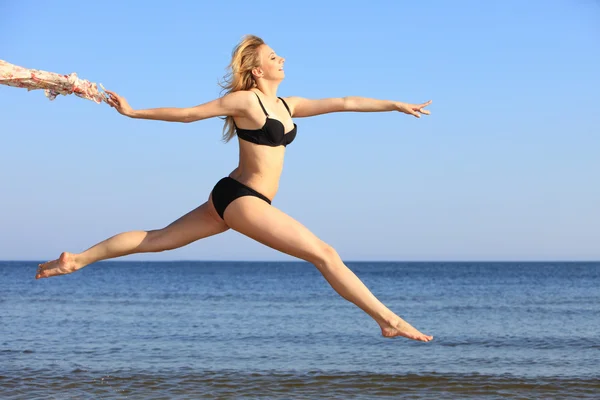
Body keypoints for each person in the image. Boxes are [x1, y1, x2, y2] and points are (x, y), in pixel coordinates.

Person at [35, 35, 433, 342]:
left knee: (157, 239)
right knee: (324, 254)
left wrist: (395, 104)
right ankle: (388, 320)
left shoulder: (288, 106)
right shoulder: (245, 101)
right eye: (273, 57)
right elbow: (190, 115)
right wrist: (133, 111)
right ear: (257, 71)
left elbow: (345, 102)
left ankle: (76, 259)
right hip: (241, 199)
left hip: (232, 195)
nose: (282, 59)